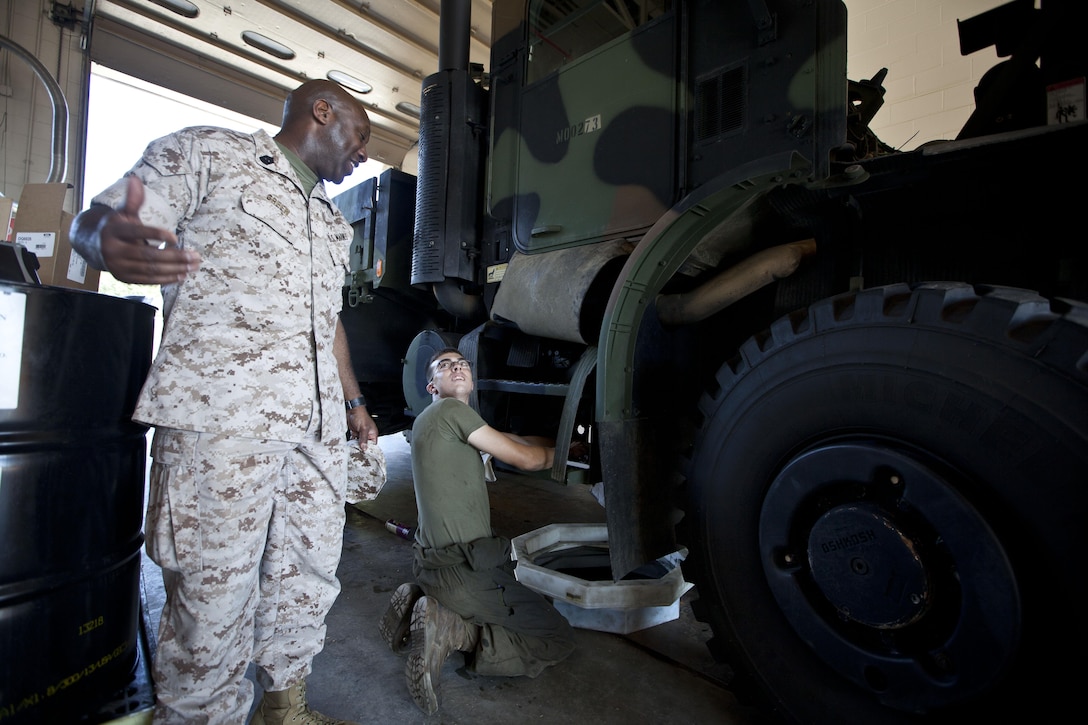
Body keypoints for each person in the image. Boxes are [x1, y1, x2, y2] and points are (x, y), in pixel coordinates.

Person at [69, 79, 380, 725]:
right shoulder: (207, 152)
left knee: (307, 577)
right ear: (323, 110)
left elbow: (329, 320)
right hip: (223, 421)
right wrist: (105, 238)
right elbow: (104, 218)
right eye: (363, 137)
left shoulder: (329, 217)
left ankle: (283, 706)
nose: (364, 156)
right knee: (214, 591)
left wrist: (353, 400)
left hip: (315, 429)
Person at [381, 347, 576, 714]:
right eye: (445, 366)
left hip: (435, 565)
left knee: (530, 604)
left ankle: (421, 599)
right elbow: (526, 459)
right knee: (556, 636)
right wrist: (567, 456)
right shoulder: (451, 411)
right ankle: (455, 630)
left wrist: (558, 442)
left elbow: (513, 441)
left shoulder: (441, 419)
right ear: (431, 386)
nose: (457, 367)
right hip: (464, 572)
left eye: (462, 363)